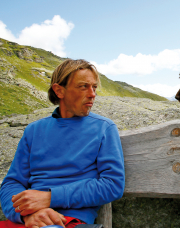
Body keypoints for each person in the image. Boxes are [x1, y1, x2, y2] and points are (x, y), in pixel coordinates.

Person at [0, 59, 125, 228]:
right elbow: (12, 183)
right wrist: (25, 216)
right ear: (59, 90)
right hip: (30, 220)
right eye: (83, 86)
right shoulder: (34, 131)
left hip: (69, 221)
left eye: (94, 87)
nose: (92, 94)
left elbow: (112, 184)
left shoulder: (104, 128)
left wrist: (50, 198)